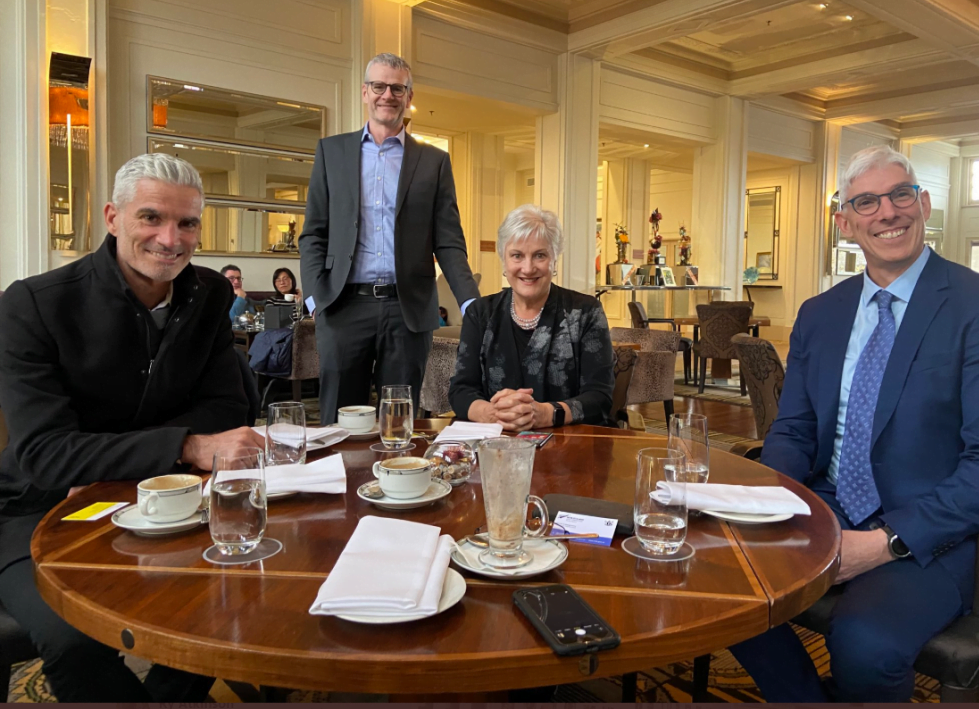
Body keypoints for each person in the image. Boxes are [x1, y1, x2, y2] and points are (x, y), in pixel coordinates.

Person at [728, 145, 979, 702]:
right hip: (829, 501)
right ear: (845, 222)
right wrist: (766, 501)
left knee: (864, 645)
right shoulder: (821, 312)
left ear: (924, 202)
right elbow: (793, 430)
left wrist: (886, 542)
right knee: (715, 582)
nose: (887, 212)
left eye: (900, 194)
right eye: (867, 201)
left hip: (945, 529)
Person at [0, 153, 264, 702]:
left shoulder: (210, 294)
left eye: (187, 223)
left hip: (169, 496)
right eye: (151, 218)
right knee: (74, 640)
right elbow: (47, 456)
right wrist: (186, 444)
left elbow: (226, 408)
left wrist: (107, 461)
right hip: (38, 508)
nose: (171, 239)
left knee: (238, 584)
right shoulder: (35, 304)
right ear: (112, 217)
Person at [299, 52, 480, 424]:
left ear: (409, 96)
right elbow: (313, 234)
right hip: (344, 306)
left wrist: (470, 304)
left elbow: (448, 240)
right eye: (379, 86)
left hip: (407, 309)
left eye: (397, 88)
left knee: (398, 422)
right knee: (338, 420)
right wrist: (317, 297)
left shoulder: (434, 161)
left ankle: (396, 481)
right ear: (365, 92)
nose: (388, 95)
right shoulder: (331, 152)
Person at [448, 205, 614, 429]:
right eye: (517, 255)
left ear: (554, 260)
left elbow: (599, 397)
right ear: (504, 261)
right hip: (496, 447)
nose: (527, 268)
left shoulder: (585, 312)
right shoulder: (480, 313)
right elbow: (461, 390)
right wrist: (491, 413)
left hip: (570, 447)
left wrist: (547, 413)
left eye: (540, 255)